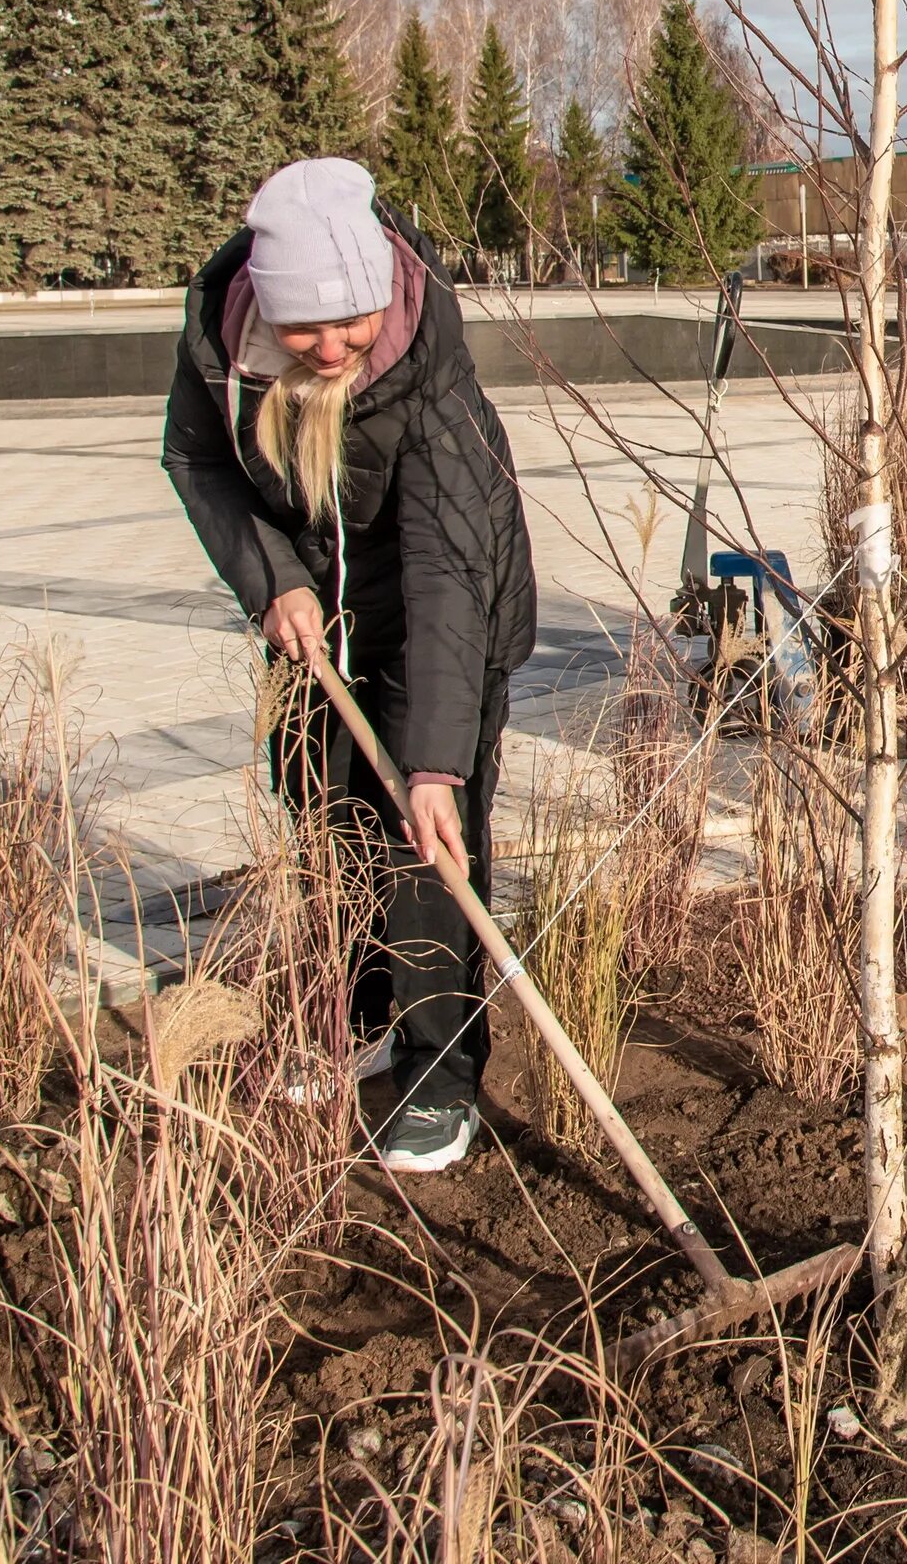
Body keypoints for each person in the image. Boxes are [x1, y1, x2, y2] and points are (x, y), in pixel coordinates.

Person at [162, 157, 537, 1171]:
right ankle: (363, 1011)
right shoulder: (220, 342)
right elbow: (194, 458)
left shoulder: (428, 372)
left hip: (442, 611)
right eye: (305, 331)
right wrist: (271, 575)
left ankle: (440, 1073)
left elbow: (447, 579)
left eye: (350, 323)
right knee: (325, 811)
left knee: (428, 847)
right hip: (311, 623)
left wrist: (434, 765)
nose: (331, 349)